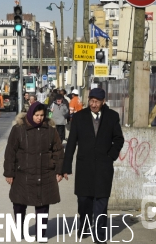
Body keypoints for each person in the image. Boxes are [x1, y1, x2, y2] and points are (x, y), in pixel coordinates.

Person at [61, 88, 124, 242]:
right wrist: (66, 167)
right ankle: (84, 226)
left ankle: (100, 236)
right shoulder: (79, 117)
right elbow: (71, 143)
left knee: (101, 203)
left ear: (103, 102)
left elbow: (119, 139)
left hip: (103, 167)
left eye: (97, 101)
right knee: (84, 202)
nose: (93, 104)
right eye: (91, 101)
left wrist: (111, 156)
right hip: (84, 167)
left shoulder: (112, 117)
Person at [4, 102, 64, 241]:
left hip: (45, 173)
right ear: (31, 114)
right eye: (36, 115)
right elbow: (10, 152)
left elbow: (58, 151)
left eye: (42, 115)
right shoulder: (18, 129)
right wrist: (9, 173)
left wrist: (59, 170)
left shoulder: (50, 130)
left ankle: (40, 234)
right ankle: (19, 230)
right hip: (22, 174)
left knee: (42, 205)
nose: (39, 118)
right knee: (19, 204)